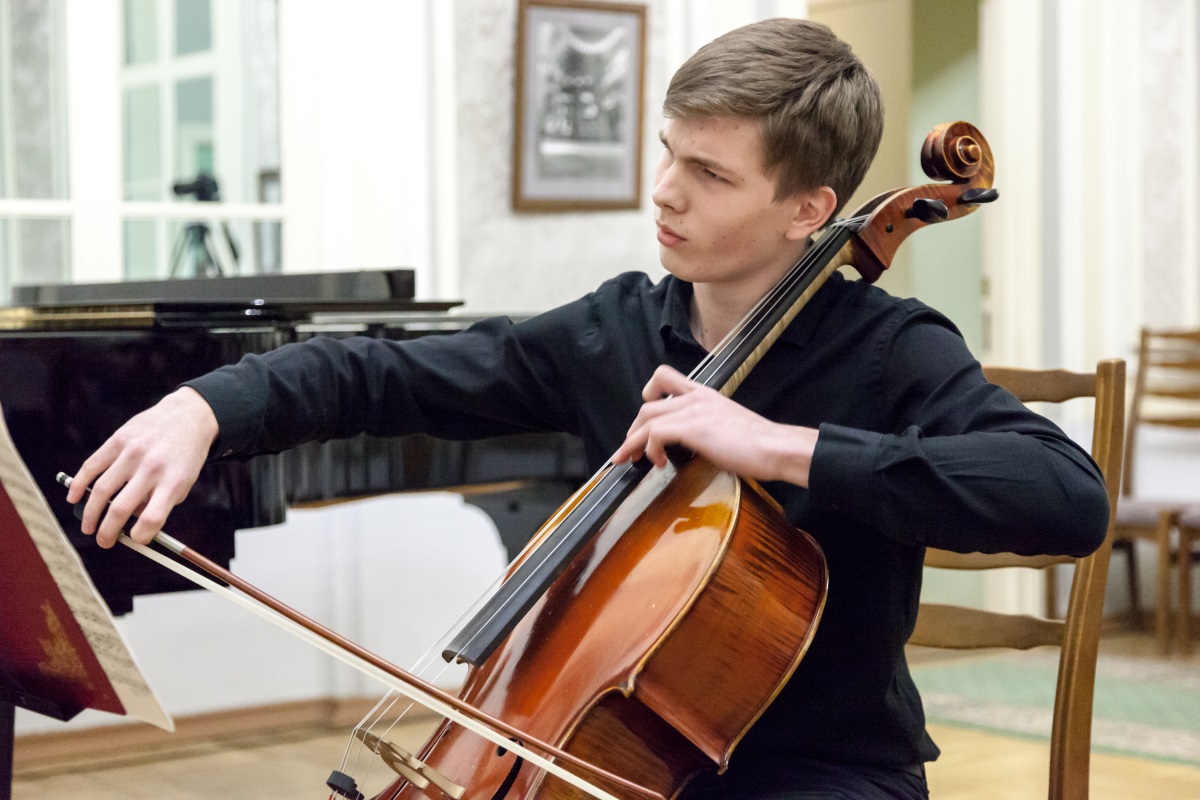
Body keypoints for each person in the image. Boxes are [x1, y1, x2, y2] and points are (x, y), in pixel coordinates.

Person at [68, 17, 1110, 800]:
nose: (664, 190)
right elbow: (383, 375)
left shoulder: (891, 349)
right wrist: (205, 407)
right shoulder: (616, 330)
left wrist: (779, 445)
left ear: (809, 210)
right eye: (668, 151)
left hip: (825, 772)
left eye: (708, 173)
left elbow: (1066, 496)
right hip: (603, 760)